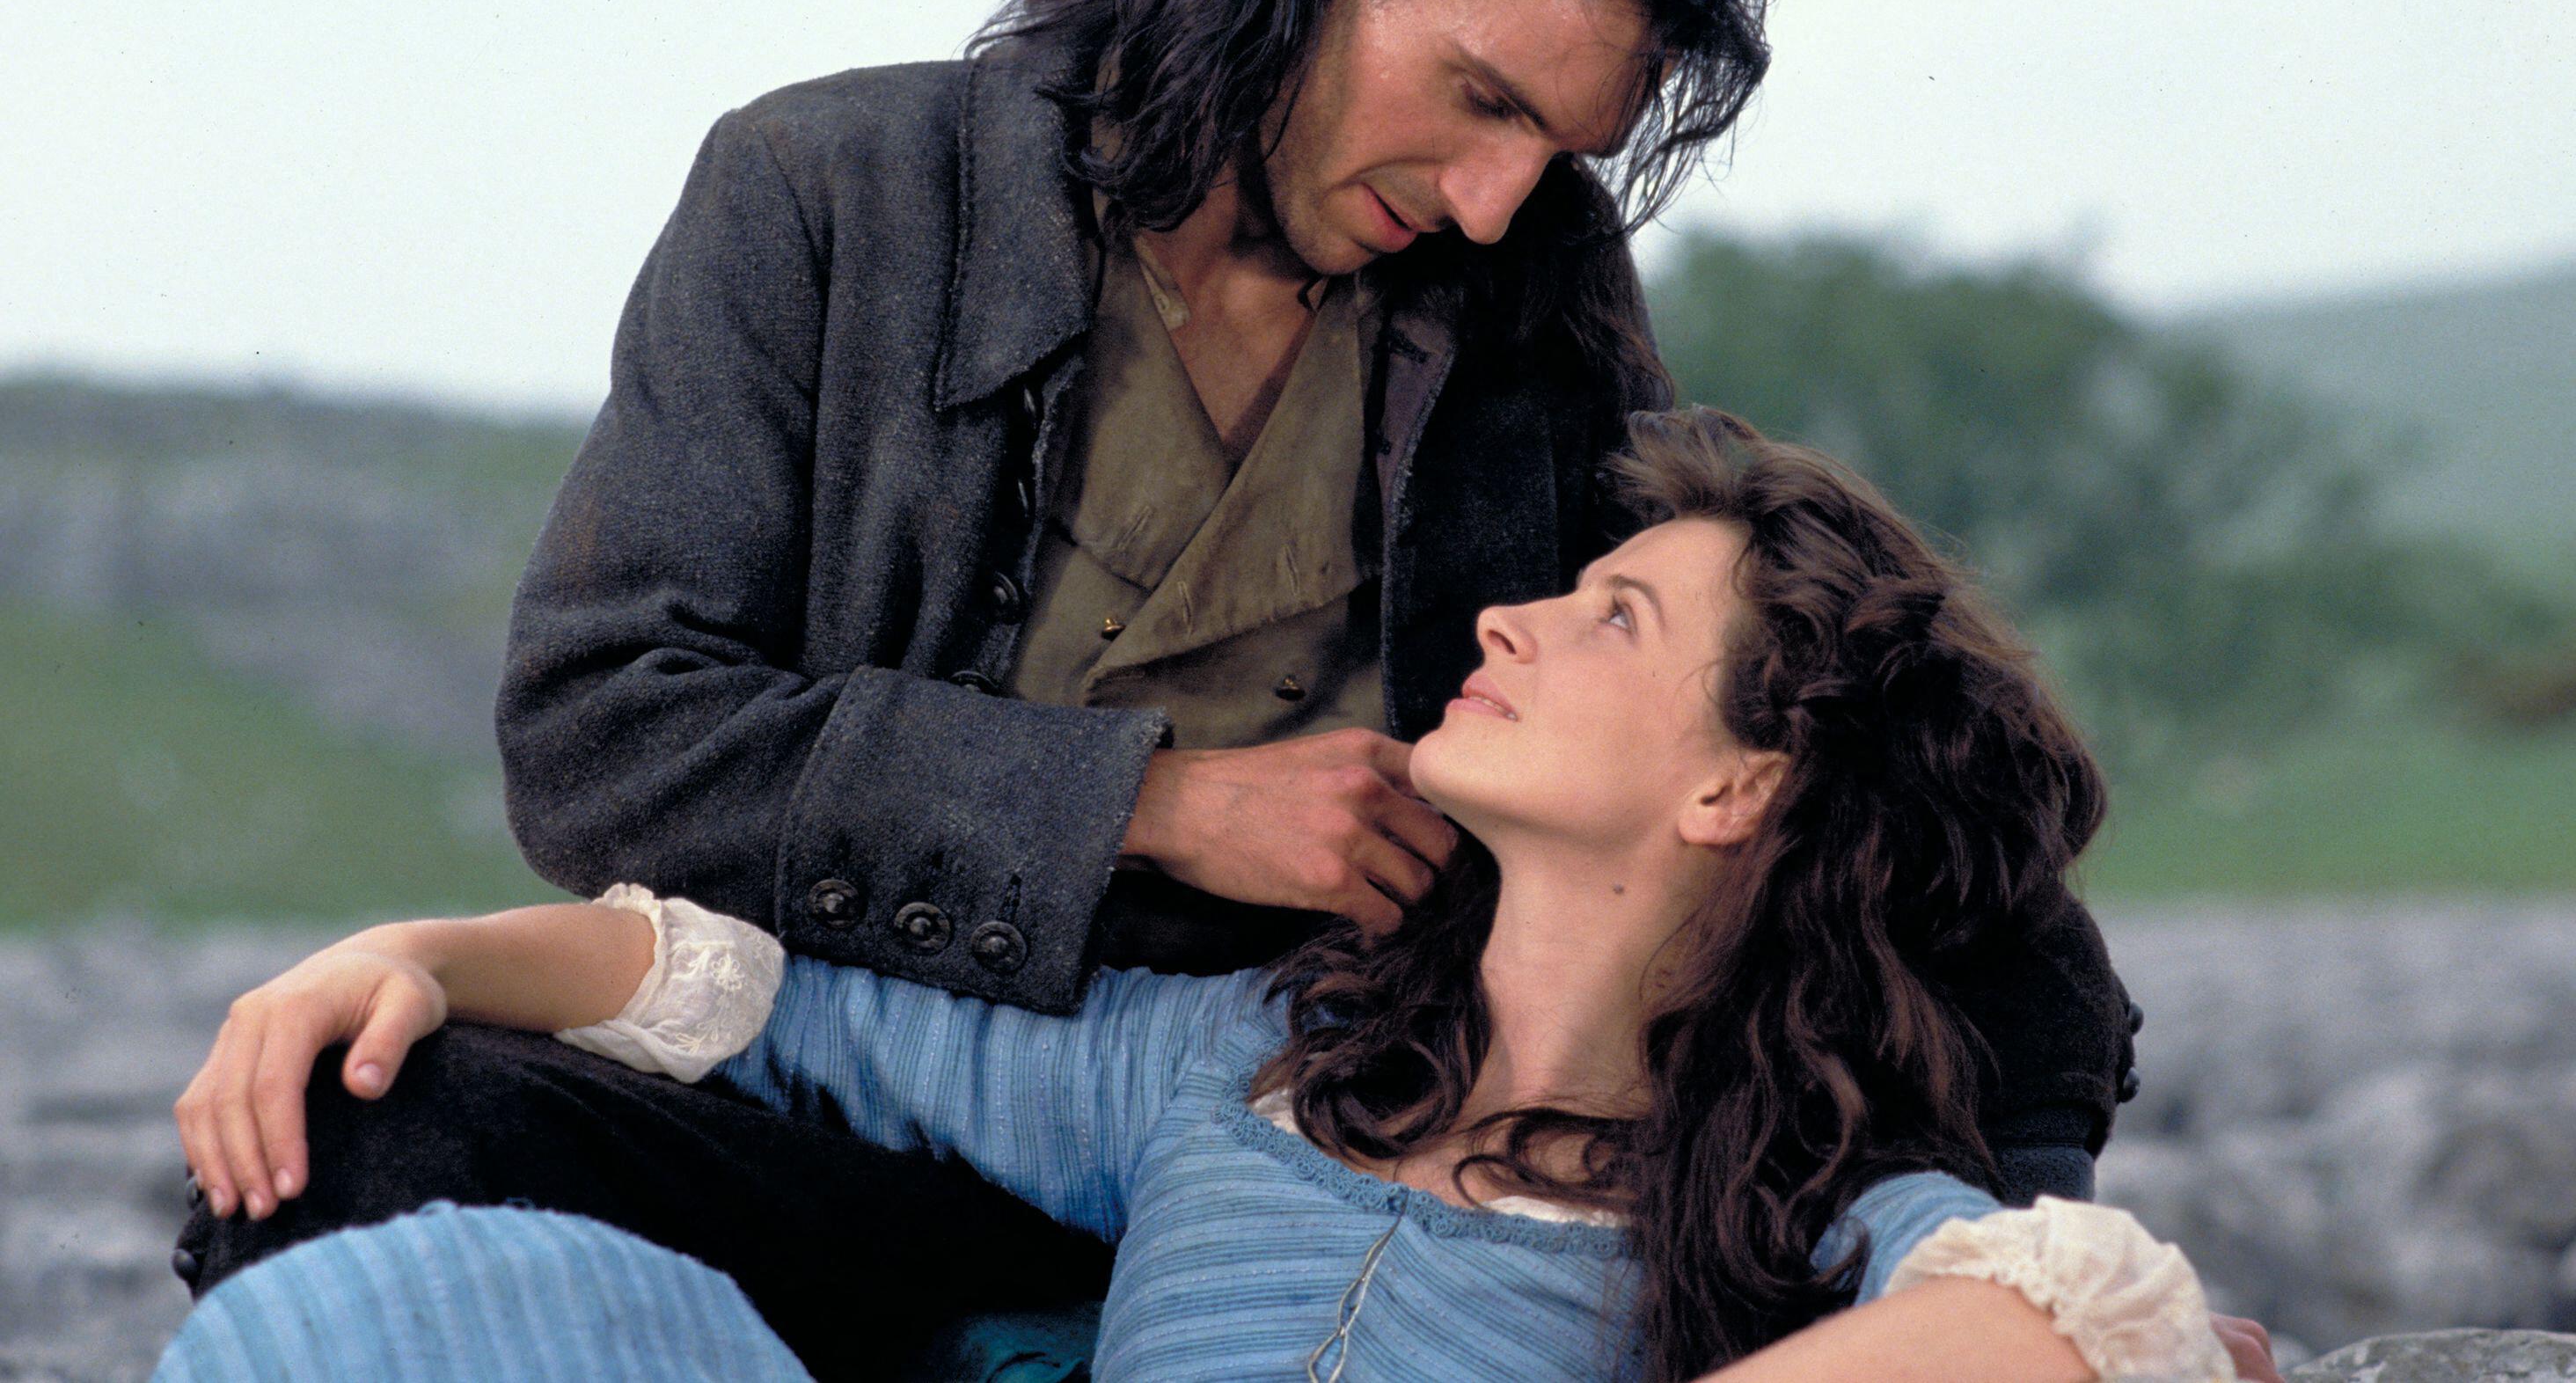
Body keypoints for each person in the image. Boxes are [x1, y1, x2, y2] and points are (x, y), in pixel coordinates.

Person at [171, 0, 2141, 1371]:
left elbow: (1837, 718)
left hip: (1341, 1134)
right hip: (915, 1142)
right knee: (366, 1126)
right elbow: (607, 735)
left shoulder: (1527, 290)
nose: (1488, 197)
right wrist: (1152, 805)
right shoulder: (827, 197)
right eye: (1471, 100)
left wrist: (2027, 1251)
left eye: (1556, 147)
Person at [161, 411, 2271, 1383]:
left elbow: (2075, 1312)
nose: (1520, 616)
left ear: (1741, 783)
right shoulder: (1256, 1054)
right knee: (389, 1311)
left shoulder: (1779, 1199)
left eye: (1616, 615)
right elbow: (732, 991)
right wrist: (409, 950)